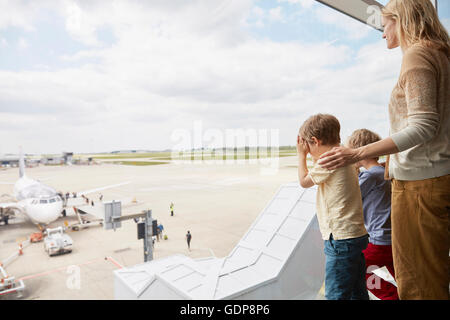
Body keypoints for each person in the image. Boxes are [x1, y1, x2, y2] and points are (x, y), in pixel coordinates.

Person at [318, 0, 449, 300]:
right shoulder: (442, 54)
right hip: (434, 179)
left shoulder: (418, 55)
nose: (382, 32)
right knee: (431, 272)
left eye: (385, 23)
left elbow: (423, 126)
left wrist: (354, 154)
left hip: (420, 185)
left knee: (416, 280)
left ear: (401, 21)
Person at [297, 114, 369, 300]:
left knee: (336, 294)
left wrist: (301, 155)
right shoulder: (345, 154)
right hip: (355, 234)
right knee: (357, 292)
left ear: (315, 140)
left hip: (339, 237)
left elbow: (304, 181)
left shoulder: (328, 160)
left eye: (309, 146)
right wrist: (312, 152)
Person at [347, 129, 399, 300]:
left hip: (379, 240)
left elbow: (348, 200)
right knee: (401, 276)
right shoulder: (386, 172)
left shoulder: (369, 176)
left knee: (361, 271)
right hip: (395, 239)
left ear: (359, 151)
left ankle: (392, 297)